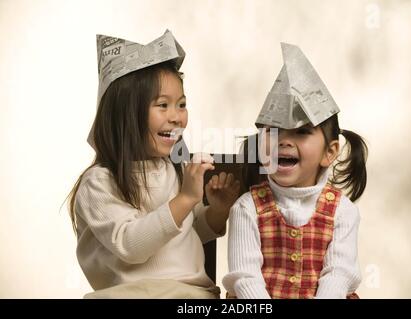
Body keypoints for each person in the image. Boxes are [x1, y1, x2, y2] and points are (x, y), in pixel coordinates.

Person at [68, 30, 240, 298]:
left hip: (189, 294)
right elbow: (131, 246)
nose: (177, 117)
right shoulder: (99, 183)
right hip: (128, 293)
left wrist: (216, 211)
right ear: (125, 115)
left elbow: (188, 231)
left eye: (181, 104)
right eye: (163, 105)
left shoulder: (175, 168)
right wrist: (185, 198)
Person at [222, 43, 368, 299]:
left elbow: (339, 274)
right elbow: (246, 277)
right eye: (273, 131)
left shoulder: (342, 211)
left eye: (301, 132)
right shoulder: (247, 208)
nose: (283, 141)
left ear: (329, 152)